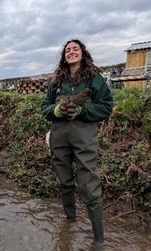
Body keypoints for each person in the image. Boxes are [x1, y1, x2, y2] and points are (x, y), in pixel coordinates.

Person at [40, 39, 113, 247]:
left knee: (89, 183)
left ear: (83, 53)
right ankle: (69, 221)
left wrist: (83, 110)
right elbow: (44, 106)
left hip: (84, 137)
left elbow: (106, 106)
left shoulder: (94, 79)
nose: (71, 52)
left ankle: (99, 240)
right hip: (59, 136)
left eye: (75, 49)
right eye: (68, 50)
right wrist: (54, 110)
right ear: (64, 56)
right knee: (64, 180)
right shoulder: (56, 82)